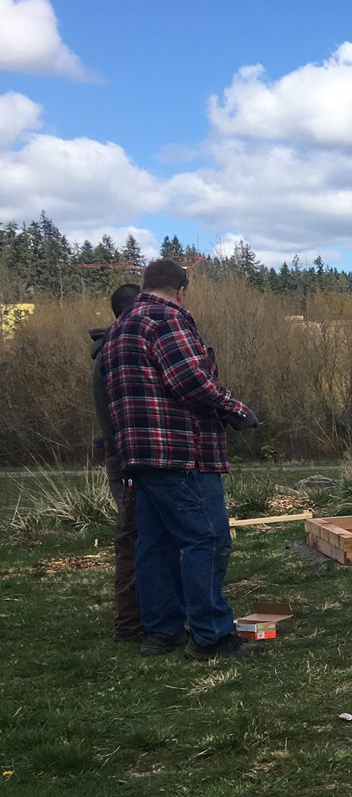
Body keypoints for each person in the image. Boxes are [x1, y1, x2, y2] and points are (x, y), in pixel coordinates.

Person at [101, 258, 261, 660]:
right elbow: (191, 381)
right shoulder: (167, 318)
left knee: (154, 544)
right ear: (182, 289)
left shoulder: (121, 326)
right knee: (206, 538)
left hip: (139, 455)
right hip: (179, 453)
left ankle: (161, 632)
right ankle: (210, 637)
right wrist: (236, 409)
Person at [92, 282, 145, 642]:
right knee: (131, 535)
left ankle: (146, 616)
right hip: (127, 458)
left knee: (141, 534)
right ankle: (129, 624)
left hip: (126, 454)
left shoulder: (113, 350)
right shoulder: (114, 354)